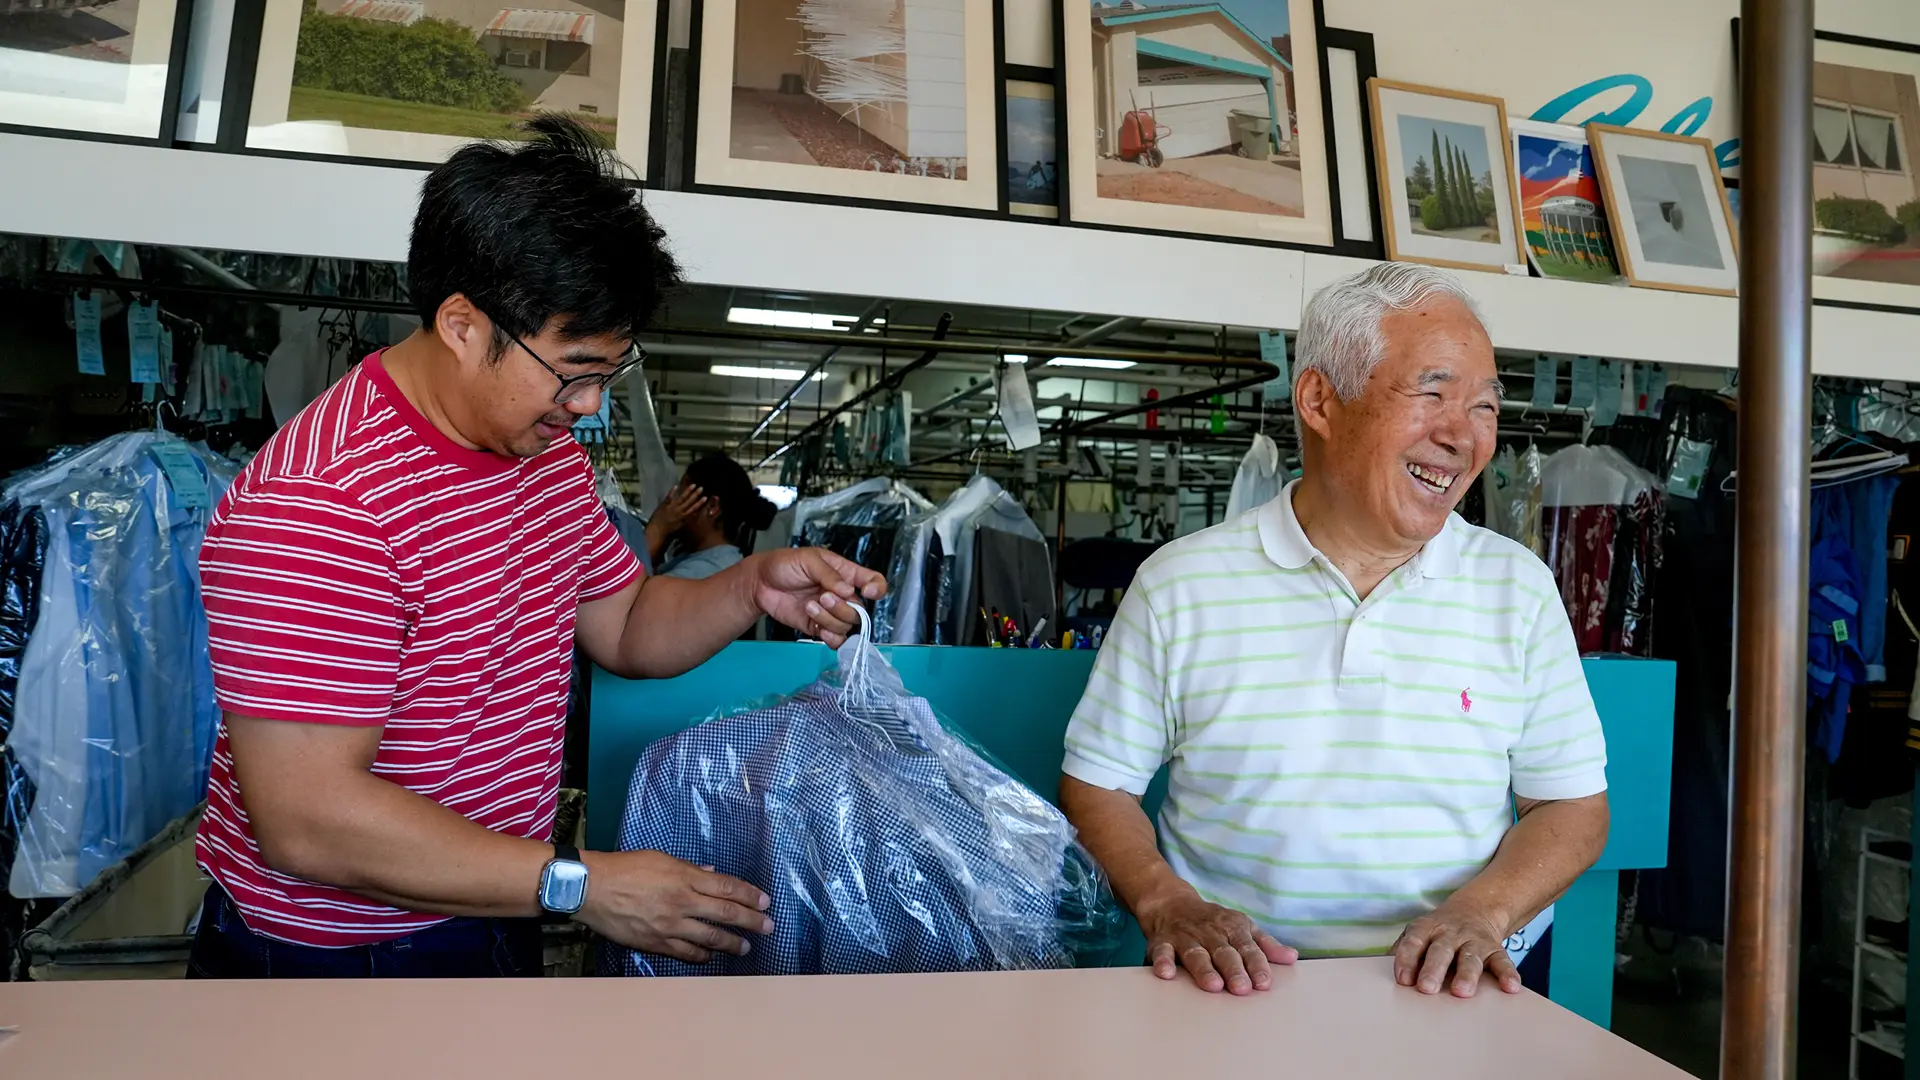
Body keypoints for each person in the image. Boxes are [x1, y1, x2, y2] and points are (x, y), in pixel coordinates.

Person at [186, 116, 885, 979]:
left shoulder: (542, 458)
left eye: (607, 374)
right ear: (462, 324)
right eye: (575, 368)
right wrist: (580, 885)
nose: (589, 406)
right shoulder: (323, 501)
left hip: (496, 898)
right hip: (338, 954)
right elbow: (307, 816)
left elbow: (626, 625)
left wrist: (749, 585)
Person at [1059, 263, 1609, 1000]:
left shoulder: (1518, 588)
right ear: (1321, 399)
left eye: (1483, 406)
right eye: (1432, 393)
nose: (1463, 435)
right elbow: (1100, 783)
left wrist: (1482, 913)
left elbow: (1571, 803)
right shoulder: (1181, 584)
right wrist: (1167, 902)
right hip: (1234, 987)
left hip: (1453, 988)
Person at [643, 454, 779, 580]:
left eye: (681, 493)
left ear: (712, 507)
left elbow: (627, 595)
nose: (672, 502)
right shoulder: (713, 558)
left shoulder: (703, 572)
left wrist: (658, 528)